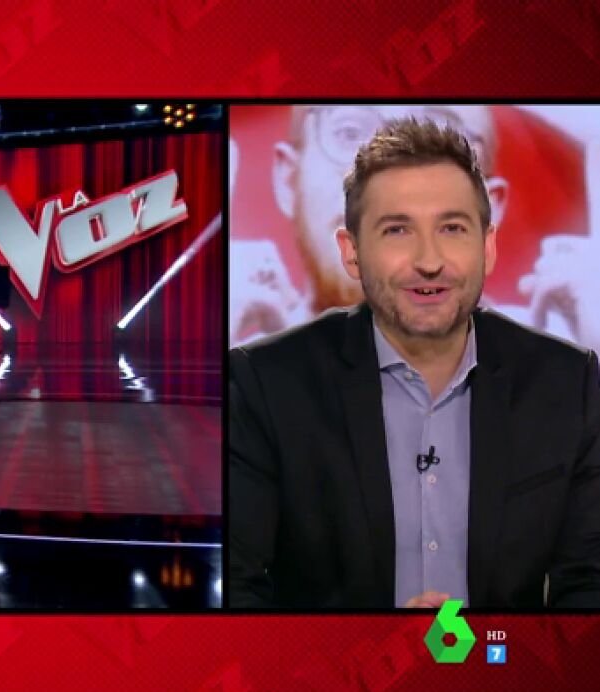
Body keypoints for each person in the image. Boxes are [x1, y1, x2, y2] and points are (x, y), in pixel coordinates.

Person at [228, 118, 600, 608]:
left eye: (452, 228)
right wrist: (376, 646)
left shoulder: (565, 382)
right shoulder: (266, 385)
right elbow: (236, 585)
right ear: (352, 252)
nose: (429, 261)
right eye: (397, 230)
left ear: (487, 245)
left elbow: (588, 588)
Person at [230, 104, 597, 348]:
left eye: (442, 142)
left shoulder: (564, 366)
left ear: (490, 208)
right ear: (288, 178)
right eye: (349, 133)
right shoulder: (241, 371)